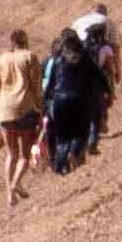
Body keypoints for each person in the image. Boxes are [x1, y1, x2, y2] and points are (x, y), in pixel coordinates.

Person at [0, 30, 47, 201]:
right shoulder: (30, 57)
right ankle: (15, 184)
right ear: (25, 41)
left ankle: (10, 193)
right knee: (25, 155)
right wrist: (40, 107)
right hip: (24, 109)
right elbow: (36, 86)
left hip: (4, 111)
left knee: (11, 154)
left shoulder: (1, 60)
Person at [42, 27, 104, 177]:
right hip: (77, 100)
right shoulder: (82, 57)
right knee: (78, 131)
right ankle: (74, 153)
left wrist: (45, 101)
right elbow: (96, 77)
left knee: (59, 135)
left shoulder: (53, 61)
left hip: (56, 102)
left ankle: (58, 165)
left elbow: (48, 84)